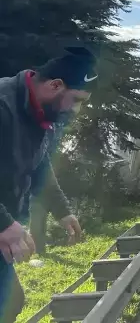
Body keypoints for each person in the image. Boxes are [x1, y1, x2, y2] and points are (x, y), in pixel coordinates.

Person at [0, 48, 93, 323]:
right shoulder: (3, 106)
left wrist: (61, 209)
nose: (76, 110)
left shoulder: (42, 115)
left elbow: (40, 165)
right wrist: (4, 224)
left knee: (10, 302)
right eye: (75, 100)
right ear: (55, 85)